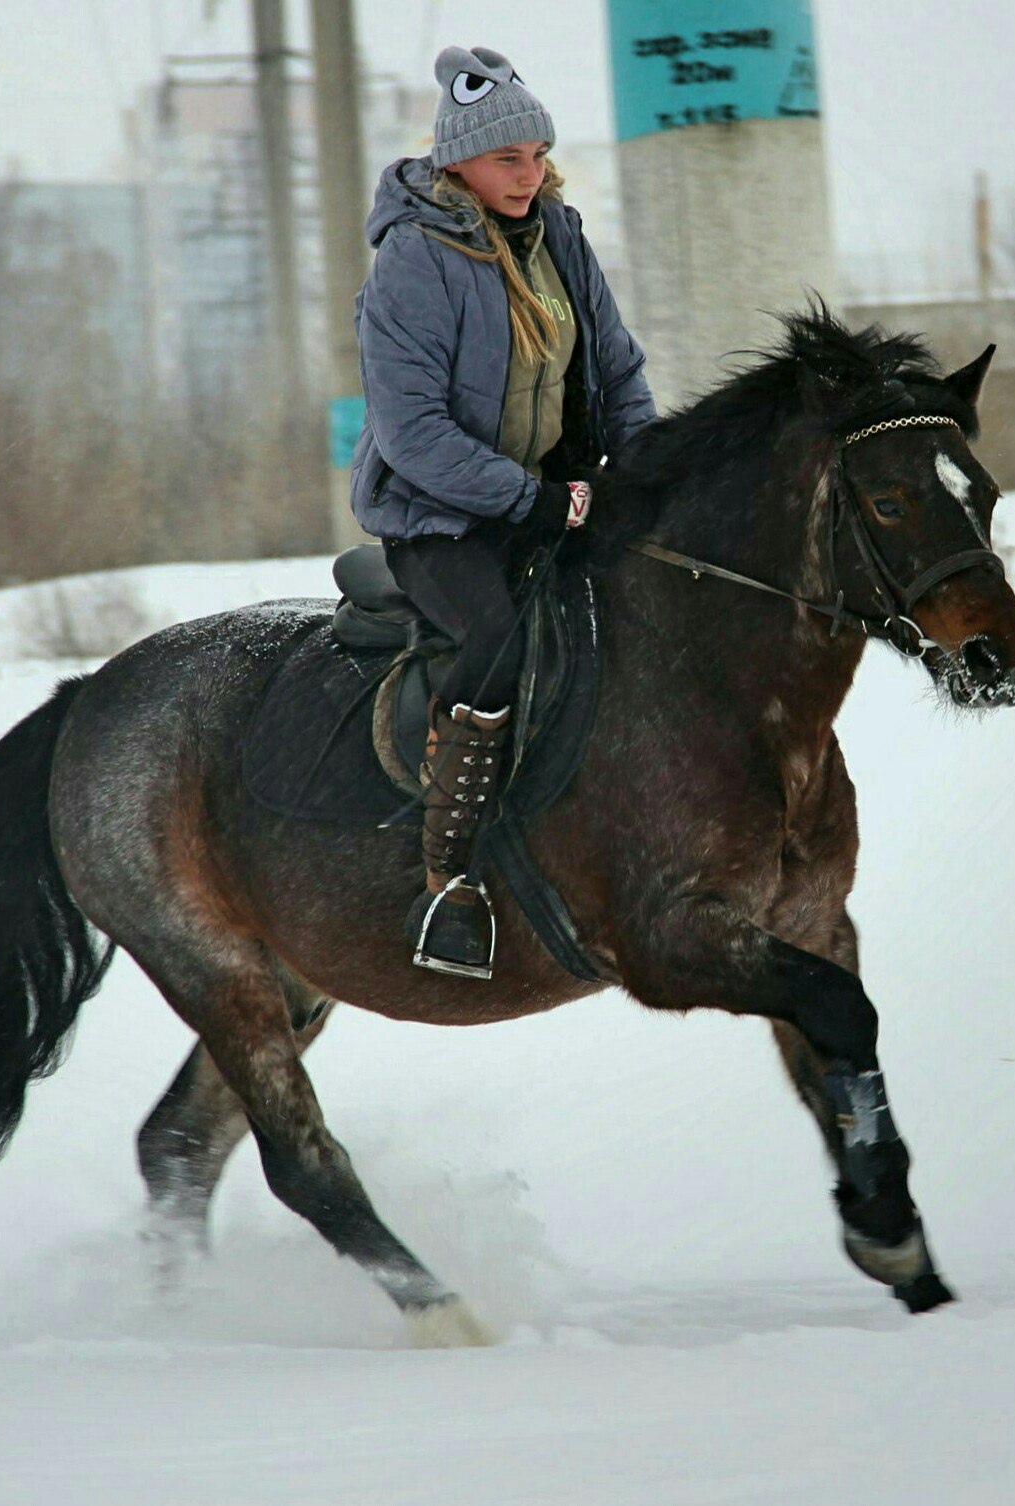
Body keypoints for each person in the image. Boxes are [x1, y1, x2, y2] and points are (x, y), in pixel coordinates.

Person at [349, 44, 657, 979]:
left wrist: (638, 475)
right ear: (457, 164)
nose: (524, 177)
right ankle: (449, 880)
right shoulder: (413, 258)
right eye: (503, 160)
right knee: (496, 636)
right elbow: (412, 434)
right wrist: (529, 501)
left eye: (533, 157)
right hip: (438, 518)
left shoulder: (557, 234)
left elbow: (618, 370)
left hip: (553, 499)